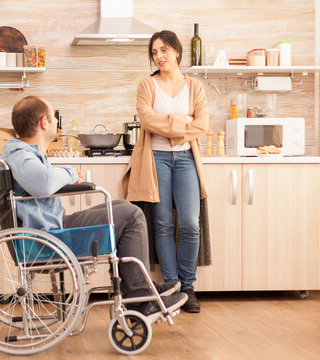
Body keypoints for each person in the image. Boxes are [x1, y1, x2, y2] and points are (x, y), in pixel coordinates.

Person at [0, 95, 187, 321]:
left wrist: (63, 176)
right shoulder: (20, 153)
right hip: (46, 239)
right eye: (54, 117)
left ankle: (140, 289)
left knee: (120, 206)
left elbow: (41, 182)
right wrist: (68, 171)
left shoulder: (24, 153)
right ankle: (140, 297)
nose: (57, 122)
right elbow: (43, 183)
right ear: (43, 122)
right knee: (131, 215)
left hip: (49, 231)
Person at [122, 30, 210, 313]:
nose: (159, 56)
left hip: (185, 159)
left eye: (164, 50)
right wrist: (182, 123)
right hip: (155, 159)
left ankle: (188, 286)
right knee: (161, 224)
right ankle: (171, 287)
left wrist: (168, 126)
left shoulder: (194, 86)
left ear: (177, 52)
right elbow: (146, 120)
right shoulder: (147, 85)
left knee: (189, 223)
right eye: (154, 52)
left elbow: (202, 126)